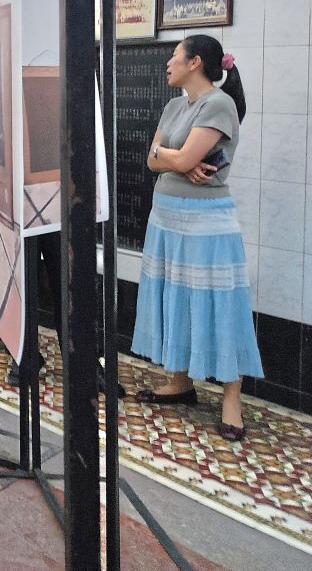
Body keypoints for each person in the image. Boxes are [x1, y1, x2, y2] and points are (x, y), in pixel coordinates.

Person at [131, 35, 261, 441]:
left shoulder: (218, 105)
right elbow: (151, 156)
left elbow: (169, 156)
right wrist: (176, 160)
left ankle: (231, 403)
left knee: (220, 302)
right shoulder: (175, 106)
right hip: (167, 218)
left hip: (206, 222)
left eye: (174, 56)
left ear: (195, 62)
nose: (168, 62)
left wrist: (171, 158)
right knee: (176, 295)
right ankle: (180, 382)